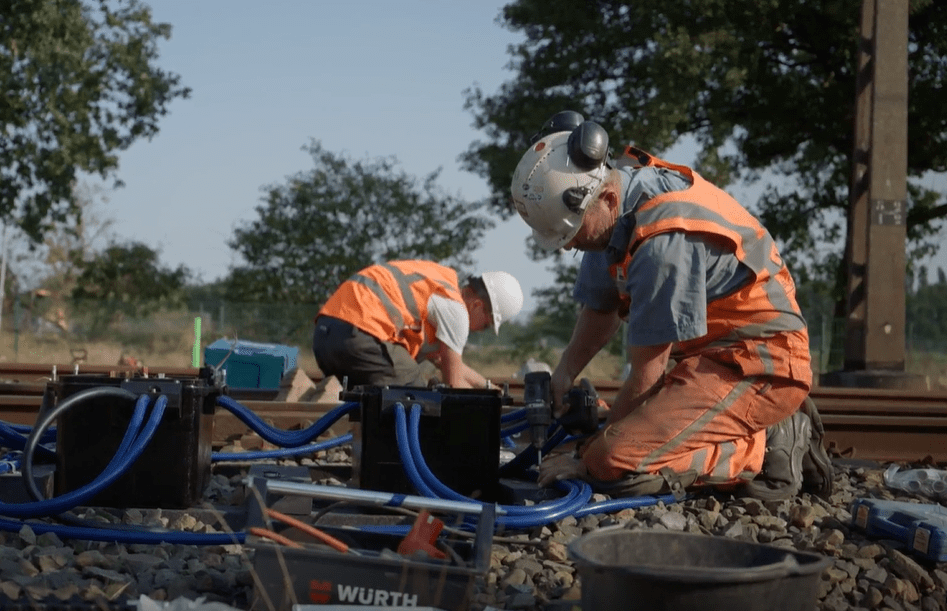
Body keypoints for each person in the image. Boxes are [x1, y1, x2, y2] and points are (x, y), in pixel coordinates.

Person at [509, 111, 833, 500]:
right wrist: (564, 374)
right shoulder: (611, 211)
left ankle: (765, 445)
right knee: (607, 447)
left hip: (760, 366)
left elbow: (647, 374)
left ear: (606, 199)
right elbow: (601, 307)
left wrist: (587, 453)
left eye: (572, 234)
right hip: (711, 360)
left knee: (611, 463)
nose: (568, 246)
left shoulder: (660, 242)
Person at [312, 260, 523, 389]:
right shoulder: (456, 311)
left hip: (326, 335)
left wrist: (488, 388)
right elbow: (454, 384)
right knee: (416, 394)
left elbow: (451, 365)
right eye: (486, 325)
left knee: (375, 401)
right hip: (361, 335)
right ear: (477, 305)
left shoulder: (438, 284)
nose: (479, 331)